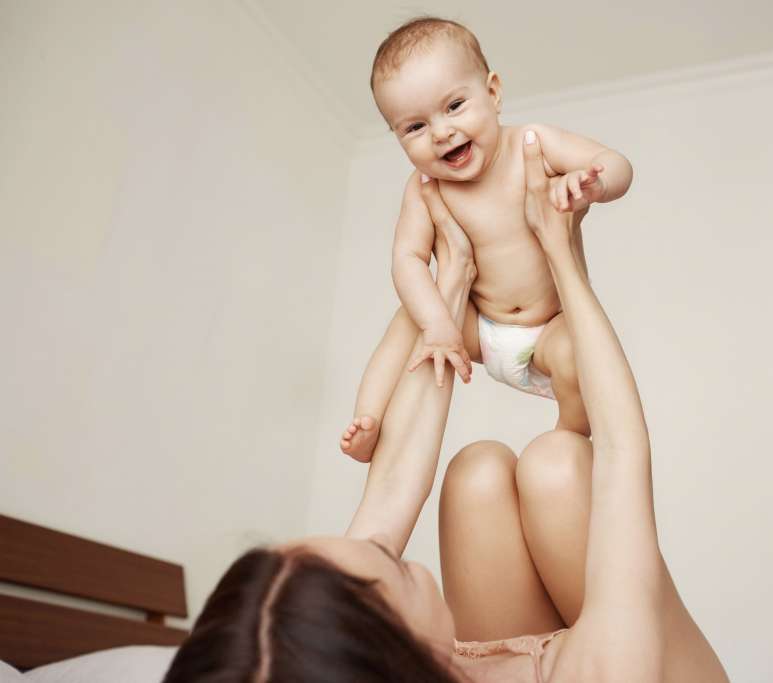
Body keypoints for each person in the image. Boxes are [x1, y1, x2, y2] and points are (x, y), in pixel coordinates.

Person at [163, 132, 728, 682]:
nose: (380, 539)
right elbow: (621, 446)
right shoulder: (611, 671)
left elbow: (389, 491)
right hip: (649, 663)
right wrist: (559, 251)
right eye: (393, 561)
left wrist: (451, 279)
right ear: (405, 655)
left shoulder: (342, 657)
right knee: (557, 463)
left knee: (476, 472)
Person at [340, 16, 634, 462]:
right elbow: (407, 259)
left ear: (492, 93)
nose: (441, 133)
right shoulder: (424, 189)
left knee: (577, 351)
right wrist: (438, 324)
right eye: (414, 127)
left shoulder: (531, 144)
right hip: (477, 329)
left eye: (454, 106)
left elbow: (615, 163)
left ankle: (571, 431)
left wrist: (591, 183)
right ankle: (369, 419)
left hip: (548, 327)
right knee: (406, 321)